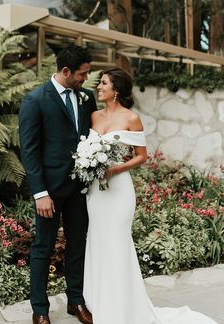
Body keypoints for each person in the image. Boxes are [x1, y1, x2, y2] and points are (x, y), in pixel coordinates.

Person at [82, 67, 218, 324]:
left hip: (119, 189)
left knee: (117, 243)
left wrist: (114, 169)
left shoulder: (131, 118)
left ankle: (125, 307)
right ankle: (102, 302)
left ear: (116, 90)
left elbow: (141, 156)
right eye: (99, 83)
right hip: (96, 192)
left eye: (103, 83)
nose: (98, 87)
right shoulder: (93, 116)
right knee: (98, 242)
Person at [19, 44, 97, 324]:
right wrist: (40, 193)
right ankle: (39, 309)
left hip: (80, 189)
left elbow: (90, 138)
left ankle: (75, 301)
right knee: (43, 248)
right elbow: (29, 150)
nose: (86, 79)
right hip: (49, 191)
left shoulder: (86, 98)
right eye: (82, 74)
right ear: (65, 71)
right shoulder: (35, 100)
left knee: (77, 244)